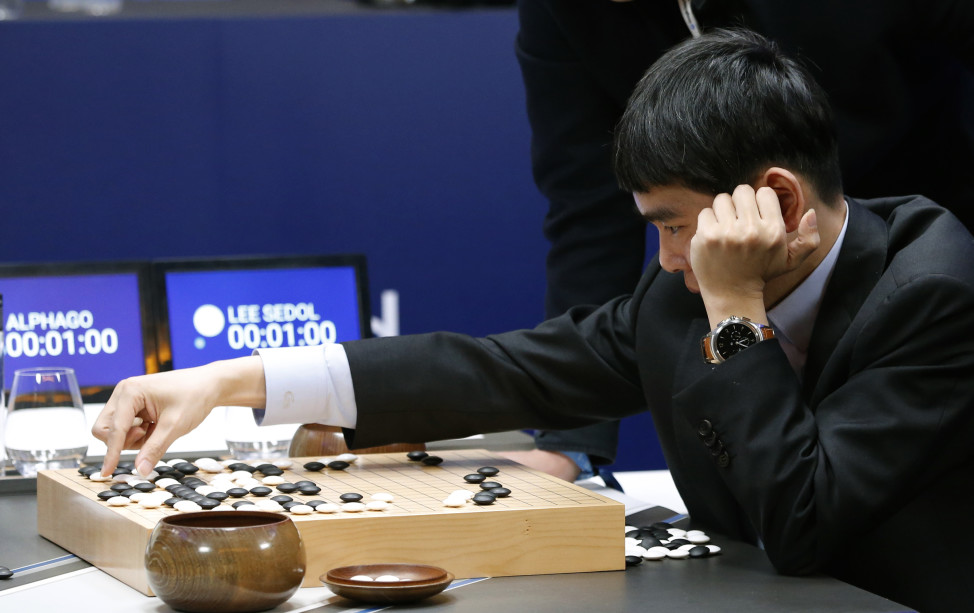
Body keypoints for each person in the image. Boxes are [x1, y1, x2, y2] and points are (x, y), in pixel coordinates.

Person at [94, 30, 974, 612]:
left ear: (773, 198)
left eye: (674, 223)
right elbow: (501, 370)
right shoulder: (682, 293)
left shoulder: (936, 290)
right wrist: (225, 380)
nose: (668, 259)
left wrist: (737, 311)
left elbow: (804, 522)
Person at [515, 0, 974, 482]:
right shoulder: (561, 11)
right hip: (759, 275)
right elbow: (587, 208)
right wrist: (570, 438)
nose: (670, 262)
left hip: (922, 242)